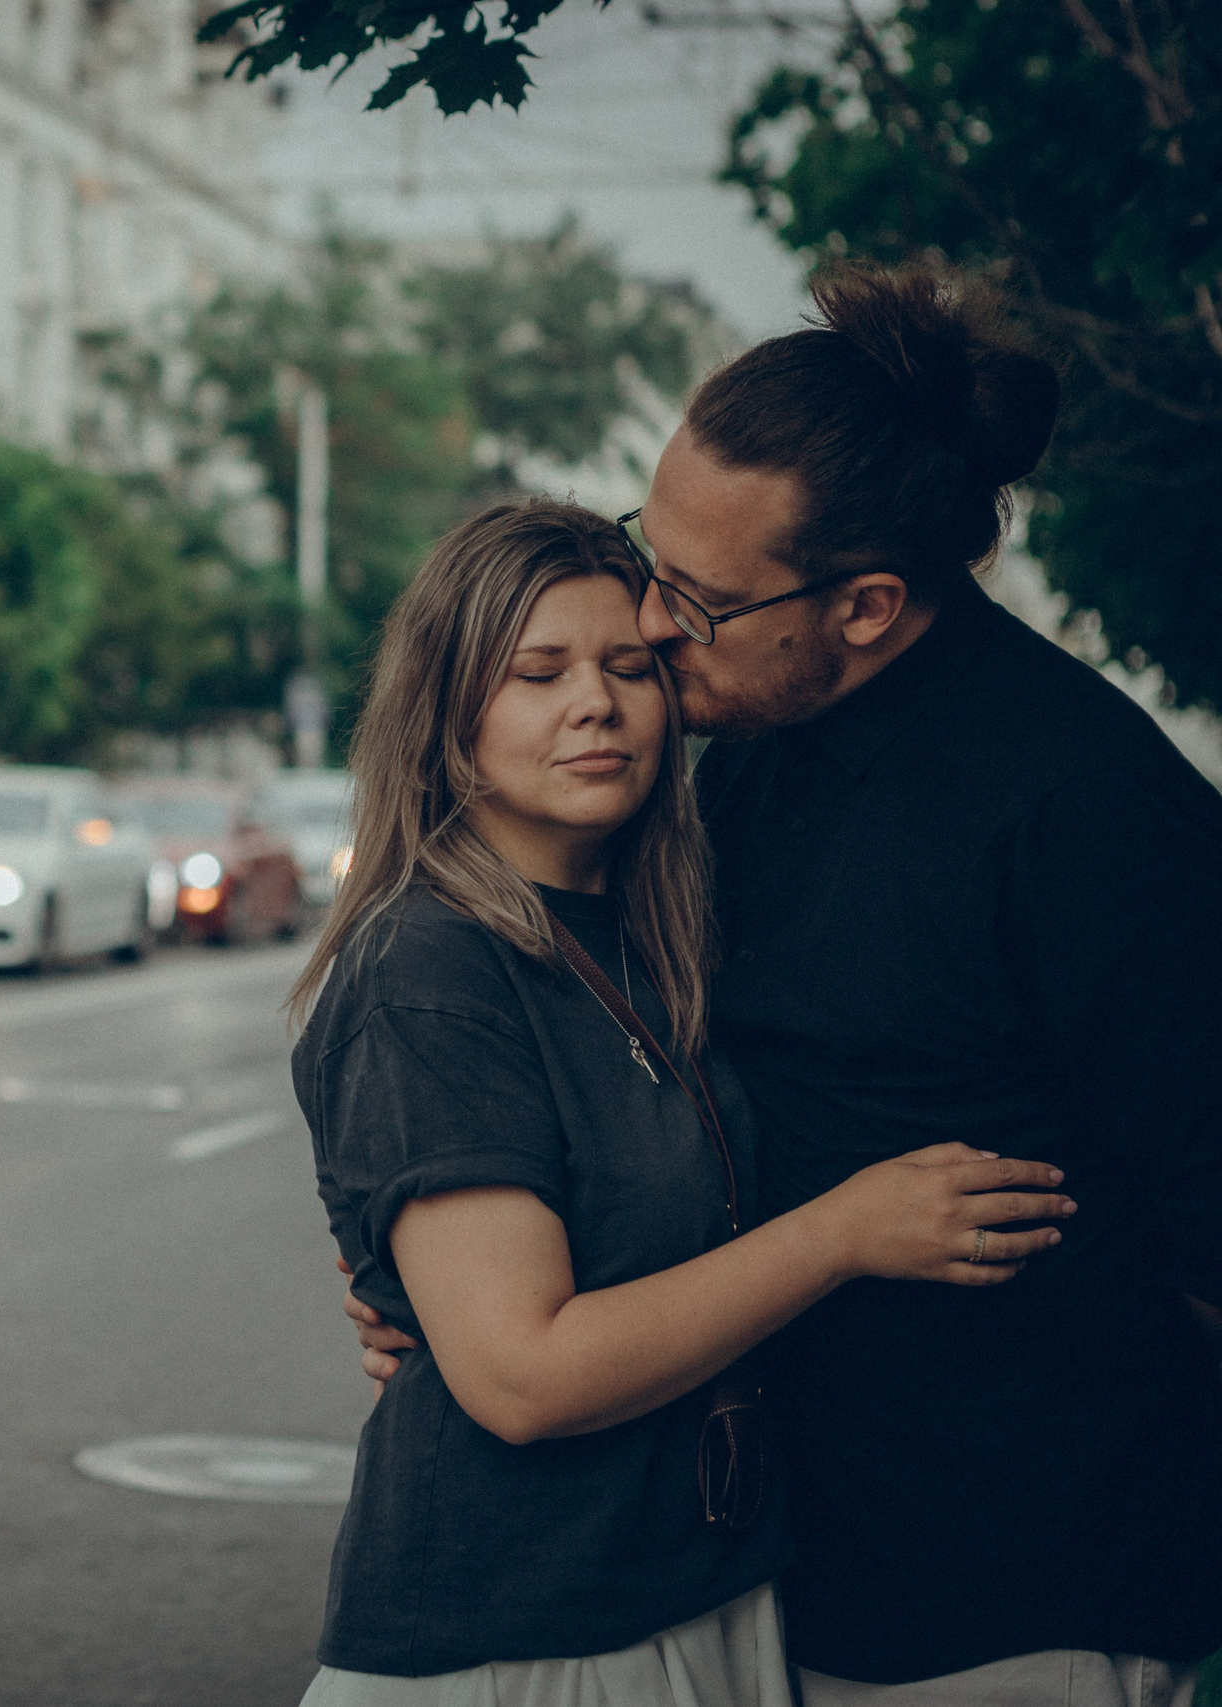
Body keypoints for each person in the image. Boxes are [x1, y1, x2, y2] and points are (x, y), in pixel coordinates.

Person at [347, 266, 1222, 1705]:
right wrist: (453, 1272)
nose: (652, 621)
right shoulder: (741, 761)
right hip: (770, 1574)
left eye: (697, 601)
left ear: (866, 605)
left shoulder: (1080, 811)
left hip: (1022, 1591)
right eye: (651, 553)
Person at [290, 497, 1073, 1706]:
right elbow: (522, 1379)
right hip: (526, 1632)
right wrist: (844, 1233)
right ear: (446, 715)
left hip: (709, 1585)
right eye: (537, 673)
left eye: (629, 667)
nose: (595, 704)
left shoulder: (660, 934)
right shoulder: (428, 964)